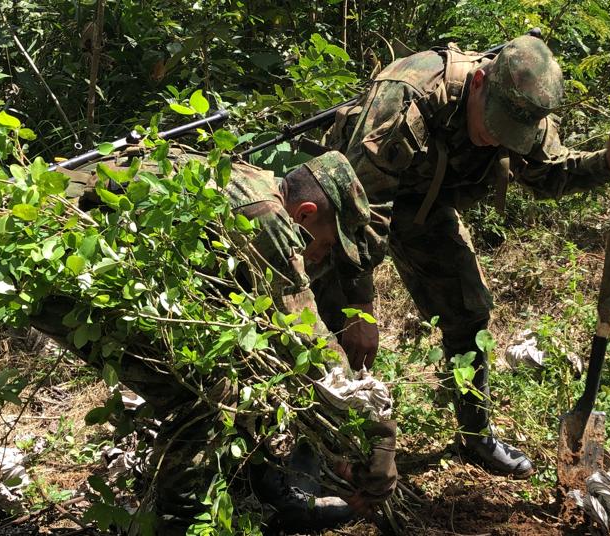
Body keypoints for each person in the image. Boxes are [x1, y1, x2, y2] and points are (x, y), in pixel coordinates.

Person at [318, 34, 610, 478]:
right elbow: (360, 206)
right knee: (332, 327)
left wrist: (606, 162)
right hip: (340, 204)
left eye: (509, 136)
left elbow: (547, 174)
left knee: (468, 310)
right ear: (478, 82)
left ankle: (475, 435)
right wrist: (359, 306)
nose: (497, 140)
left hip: (422, 204)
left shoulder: (525, 116)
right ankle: (319, 448)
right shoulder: (408, 97)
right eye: (493, 127)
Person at [35, 150, 397, 531]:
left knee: (243, 361)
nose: (319, 256)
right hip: (56, 264)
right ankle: (184, 523)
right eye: (324, 244)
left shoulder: (254, 180)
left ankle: (262, 488)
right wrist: (377, 430)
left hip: (81, 255)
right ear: (304, 214)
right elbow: (306, 340)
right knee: (208, 389)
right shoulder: (266, 216)